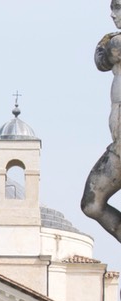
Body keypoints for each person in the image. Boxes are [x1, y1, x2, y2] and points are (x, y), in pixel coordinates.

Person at [81, 0, 121, 242]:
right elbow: (101, 60)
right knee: (91, 204)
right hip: (118, 145)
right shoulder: (111, 40)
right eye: (113, 7)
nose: (113, 14)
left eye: (118, 7)